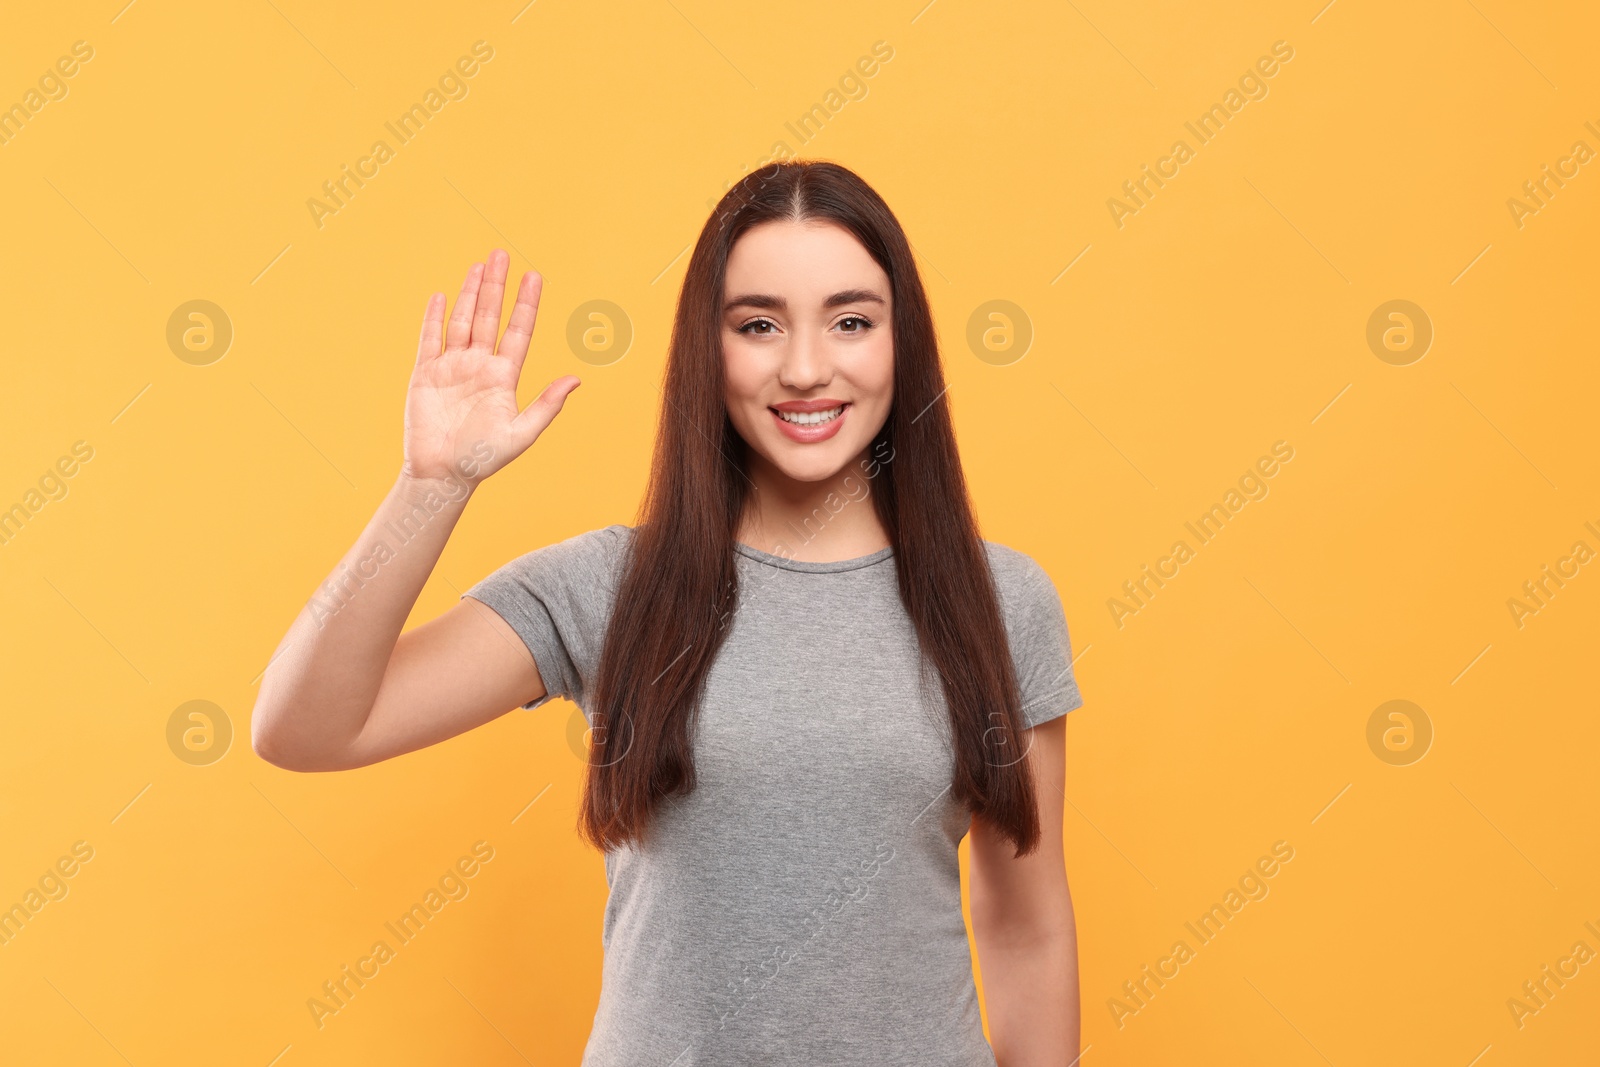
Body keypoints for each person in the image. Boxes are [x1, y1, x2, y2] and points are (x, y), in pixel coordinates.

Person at [252, 160, 1085, 1066]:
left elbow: (1025, 927)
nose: (806, 368)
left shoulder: (1003, 601)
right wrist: (431, 487)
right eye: (758, 325)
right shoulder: (611, 586)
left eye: (851, 321)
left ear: (902, 342)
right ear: (707, 347)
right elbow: (305, 729)